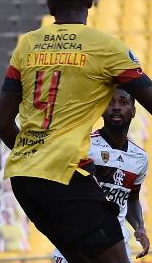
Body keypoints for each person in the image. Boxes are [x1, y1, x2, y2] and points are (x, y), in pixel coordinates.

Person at [0, 0, 152, 263]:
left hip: (24, 179)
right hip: (65, 176)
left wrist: (36, 155)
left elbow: (1, 122)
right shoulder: (107, 48)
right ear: (90, 1)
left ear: (50, 6)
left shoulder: (27, 45)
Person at [53, 88, 149, 262]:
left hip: (117, 246)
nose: (116, 107)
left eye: (124, 102)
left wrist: (140, 227)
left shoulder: (140, 158)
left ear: (134, 110)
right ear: (101, 109)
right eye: (110, 102)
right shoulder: (85, 147)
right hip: (78, 243)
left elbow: (132, 197)